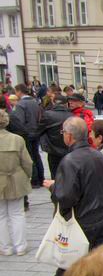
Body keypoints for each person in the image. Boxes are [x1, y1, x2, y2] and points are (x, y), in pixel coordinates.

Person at [42, 117, 103, 276]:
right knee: (97, 271)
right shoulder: (100, 157)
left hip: (79, 224)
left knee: (65, 273)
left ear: (69, 136)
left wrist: (54, 188)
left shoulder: (70, 161)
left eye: (63, 131)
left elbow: (66, 197)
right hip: (99, 219)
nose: (62, 135)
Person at [0, 109, 32, 256]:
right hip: (15, 178)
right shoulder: (17, 139)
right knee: (17, 214)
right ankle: (20, 247)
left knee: (1, 215)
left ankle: (5, 247)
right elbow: (27, 162)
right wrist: (28, 176)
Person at [12, 83, 45, 188]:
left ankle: (34, 180)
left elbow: (19, 121)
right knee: (37, 155)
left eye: (16, 91)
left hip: (26, 133)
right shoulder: (35, 102)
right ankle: (41, 178)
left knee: (29, 157)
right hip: (36, 132)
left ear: (19, 91)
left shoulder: (20, 104)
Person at [38, 94, 72, 178]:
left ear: (53, 102)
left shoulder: (47, 115)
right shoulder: (72, 115)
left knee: (55, 176)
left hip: (53, 149)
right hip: (69, 149)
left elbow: (39, 130)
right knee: (69, 175)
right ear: (66, 103)